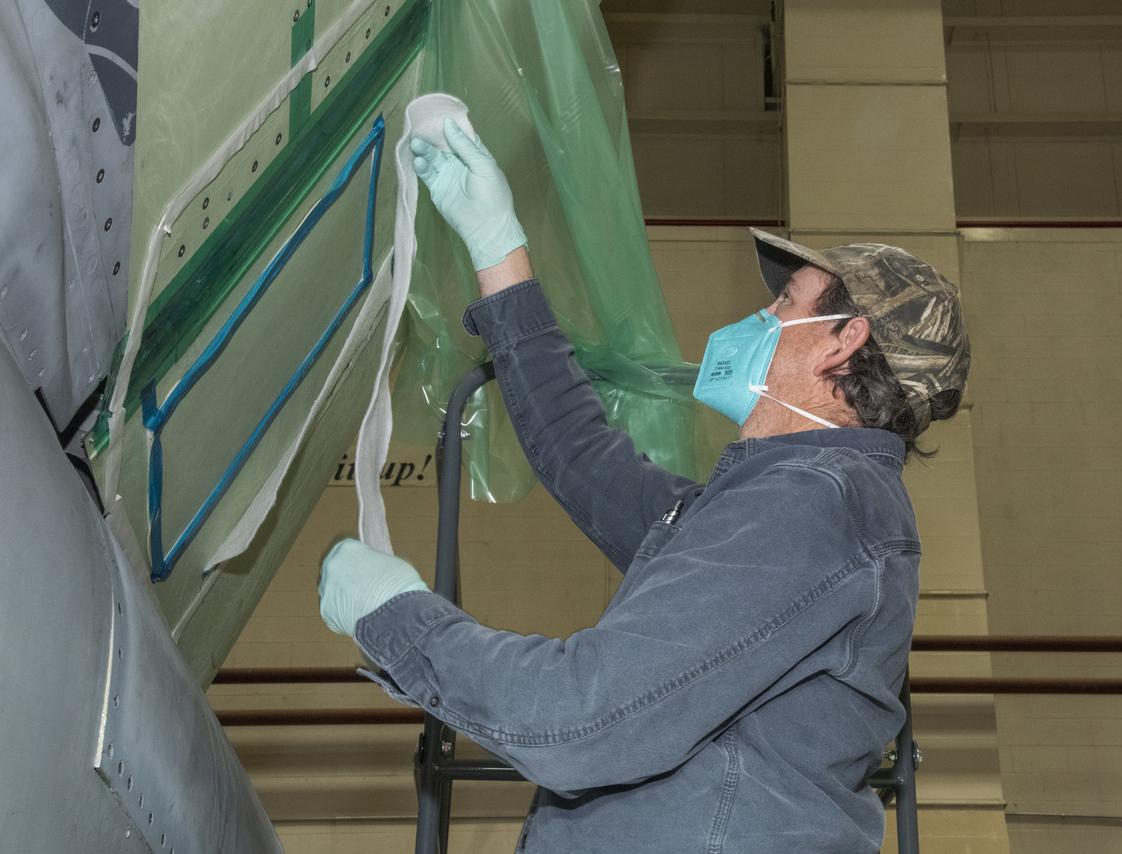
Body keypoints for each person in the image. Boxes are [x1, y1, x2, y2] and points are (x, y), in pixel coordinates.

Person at [319, 118, 969, 853]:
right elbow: (583, 459)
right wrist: (499, 251)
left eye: (785, 304)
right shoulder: (777, 507)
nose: (758, 317)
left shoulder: (812, 508)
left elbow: (581, 720)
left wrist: (399, 618)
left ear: (842, 342)